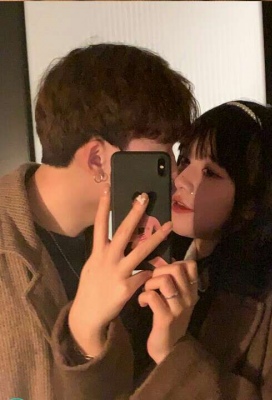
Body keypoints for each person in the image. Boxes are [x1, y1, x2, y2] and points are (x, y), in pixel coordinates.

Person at [51, 101, 272, 399]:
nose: (181, 180)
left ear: (253, 201)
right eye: (184, 160)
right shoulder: (159, 274)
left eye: (210, 173)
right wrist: (88, 328)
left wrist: (174, 354)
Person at [0, 43, 198, 400]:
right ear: (96, 159)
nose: (173, 173)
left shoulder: (137, 238)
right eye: (162, 156)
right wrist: (85, 328)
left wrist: (170, 354)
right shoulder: (9, 246)